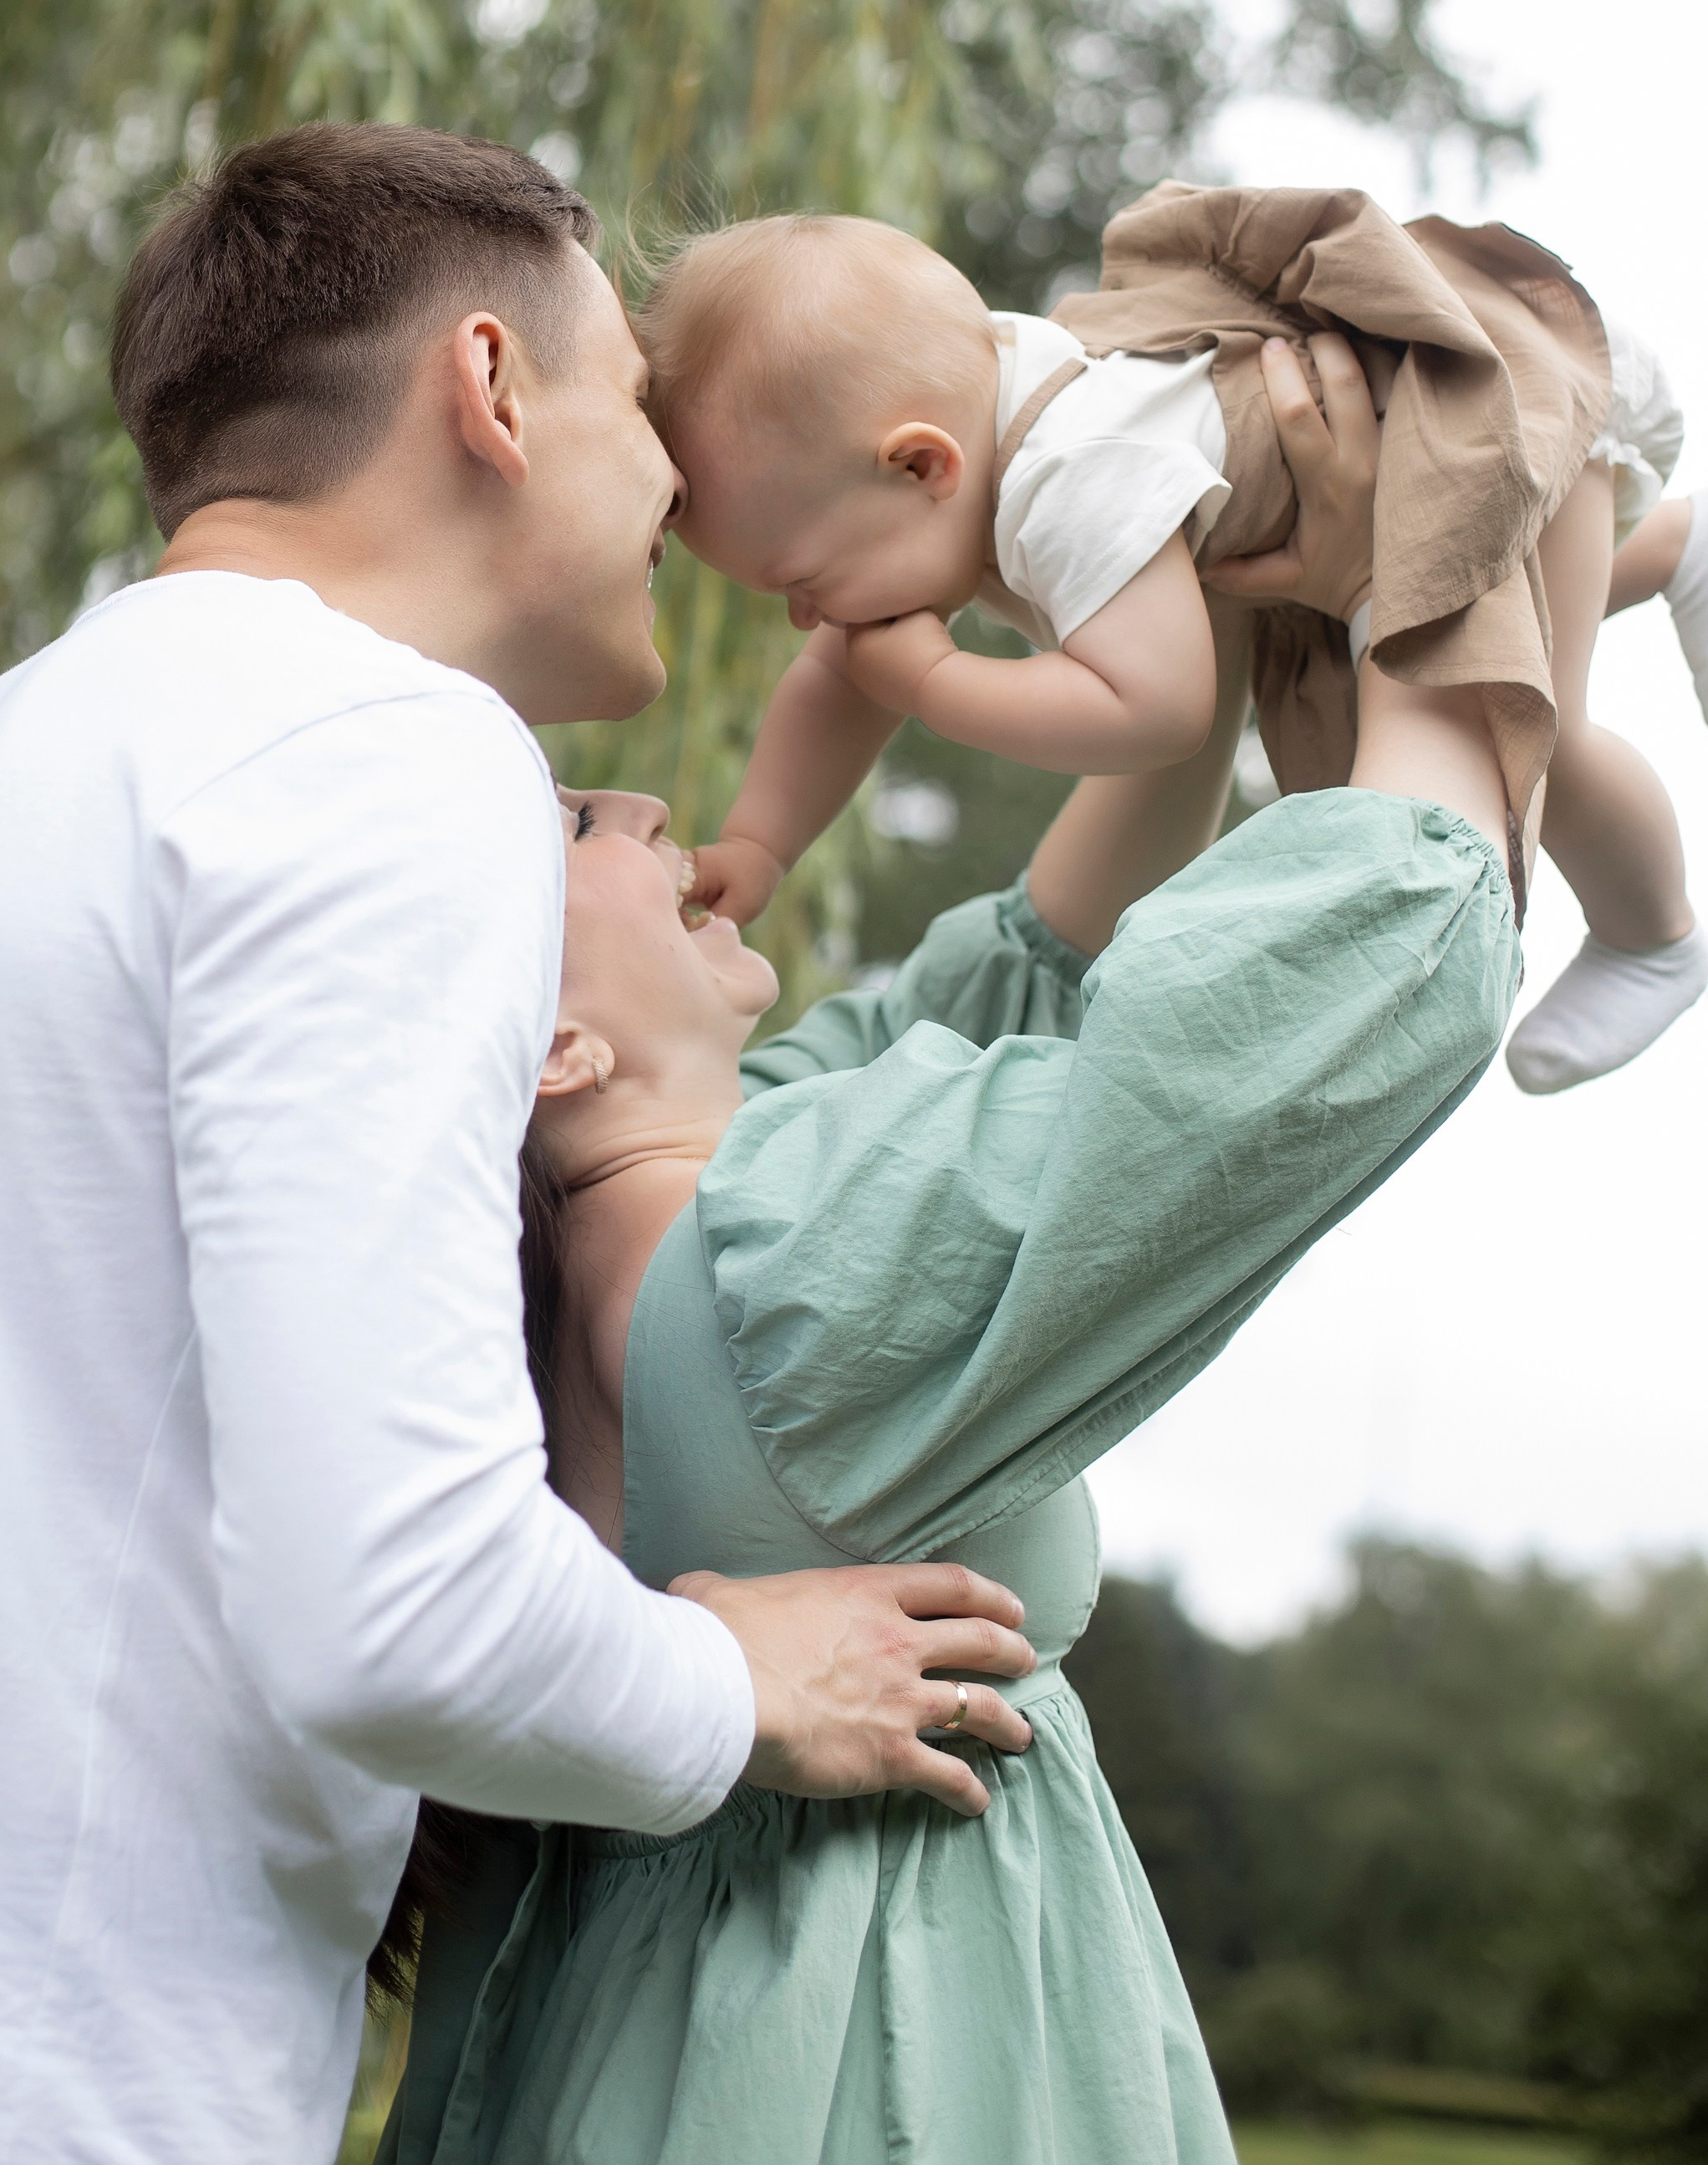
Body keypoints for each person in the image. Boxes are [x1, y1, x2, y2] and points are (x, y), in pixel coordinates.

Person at [0, 126, 1035, 2164]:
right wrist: (738, 1679)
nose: (678, 476)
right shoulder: (385, 749)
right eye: (640, 399)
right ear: (491, 386)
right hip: (6, 2083)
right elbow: (399, 1601)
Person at [377, 337, 1522, 2165]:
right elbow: (1355, 972)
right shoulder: (777, 1260)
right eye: (579, 821)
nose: (651, 807)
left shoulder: (663, 1215)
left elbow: (1040, 959)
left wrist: (1130, 545)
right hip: (874, 2067)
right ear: (554, 1048)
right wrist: (1435, 553)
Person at [639, 188, 1706, 1095]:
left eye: (802, 582)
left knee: (1522, 717)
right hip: (1389, 464)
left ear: (922, 466)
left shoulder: (1069, 479)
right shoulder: (956, 440)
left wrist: (938, 681)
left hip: (1478, 410)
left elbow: (1158, 707)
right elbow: (838, 683)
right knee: (1462, 620)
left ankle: (1653, 937)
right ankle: (1671, 545)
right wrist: (762, 844)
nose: (808, 619)